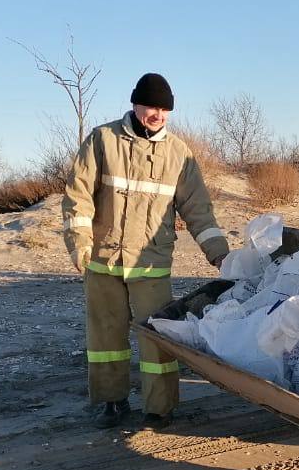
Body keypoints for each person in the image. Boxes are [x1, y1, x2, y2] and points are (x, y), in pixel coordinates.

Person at [63, 73, 230, 429]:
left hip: (150, 263)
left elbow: (198, 209)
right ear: (135, 103)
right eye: (152, 106)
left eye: (164, 109)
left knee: (157, 337)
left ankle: (160, 407)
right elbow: (77, 197)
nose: (158, 114)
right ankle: (111, 402)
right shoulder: (102, 140)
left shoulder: (179, 154)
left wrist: (219, 253)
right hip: (103, 260)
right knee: (105, 336)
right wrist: (79, 243)